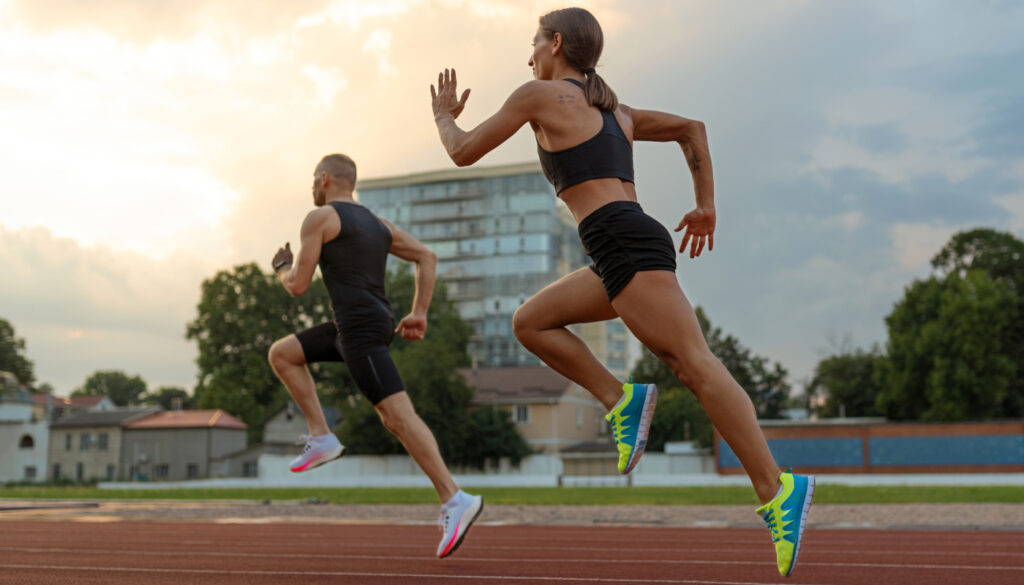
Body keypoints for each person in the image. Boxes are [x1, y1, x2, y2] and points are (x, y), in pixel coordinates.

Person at [428, 7, 813, 577]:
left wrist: (441, 116)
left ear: (555, 44)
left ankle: (777, 490)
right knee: (530, 322)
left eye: (533, 44)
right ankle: (620, 399)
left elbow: (461, 150)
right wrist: (705, 203)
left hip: (622, 241)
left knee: (695, 365)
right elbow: (693, 129)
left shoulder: (539, 95)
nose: (528, 56)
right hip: (618, 245)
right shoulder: (618, 112)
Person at [267, 154, 483, 558]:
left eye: (314, 180)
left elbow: (297, 285)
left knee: (397, 417)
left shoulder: (320, 219)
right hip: (357, 325)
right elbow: (427, 257)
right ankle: (321, 436)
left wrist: (282, 267)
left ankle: (455, 499)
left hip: (361, 330)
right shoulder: (378, 224)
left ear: (326, 179)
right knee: (282, 354)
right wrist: (418, 312)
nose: (312, 187)